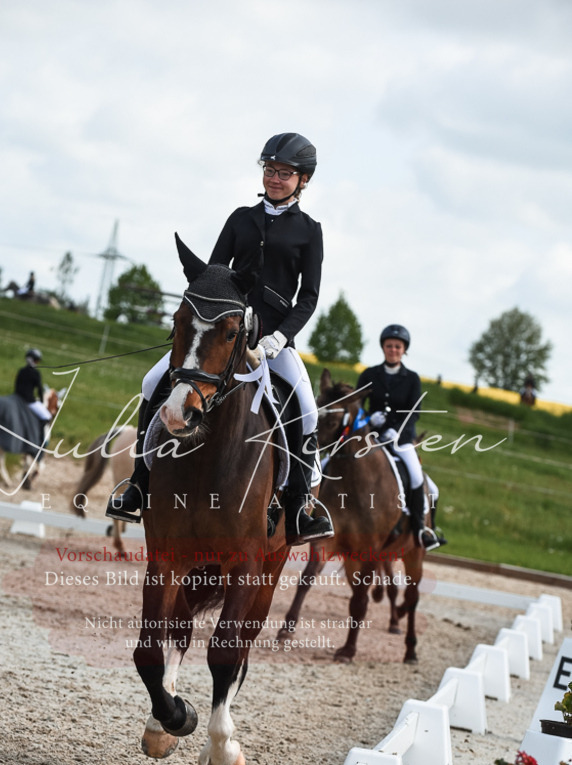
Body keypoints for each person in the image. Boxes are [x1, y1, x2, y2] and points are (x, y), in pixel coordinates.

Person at [106, 131, 334, 545]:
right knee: (151, 382)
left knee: (306, 409)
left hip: (272, 342)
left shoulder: (309, 231)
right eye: (269, 170)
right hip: (222, 335)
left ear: (303, 180)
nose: (274, 178)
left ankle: (301, 506)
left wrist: (279, 337)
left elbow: (309, 298)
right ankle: (138, 484)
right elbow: (213, 276)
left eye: (284, 173)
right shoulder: (240, 218)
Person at [356, 324, 445, 551]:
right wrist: (368, 418)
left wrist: (397, 430)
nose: (393, 350)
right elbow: (357, 405)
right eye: (389, 346)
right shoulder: (369, 374)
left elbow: (414, 412)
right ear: (383, 347)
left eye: (397, 346)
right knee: (330, 462)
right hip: (371, 437)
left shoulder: (412, 379)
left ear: (404, 350)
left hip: (401, 439)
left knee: (419, 480)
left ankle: (422, 529)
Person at [14, 348, 52, 422]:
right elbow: (39, 389)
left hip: (16, 398)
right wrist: (42, 403)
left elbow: (16, 386)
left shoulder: (21, 371)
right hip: (29, 401)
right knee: (47, 417)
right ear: (35, 360)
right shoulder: (36, 373)